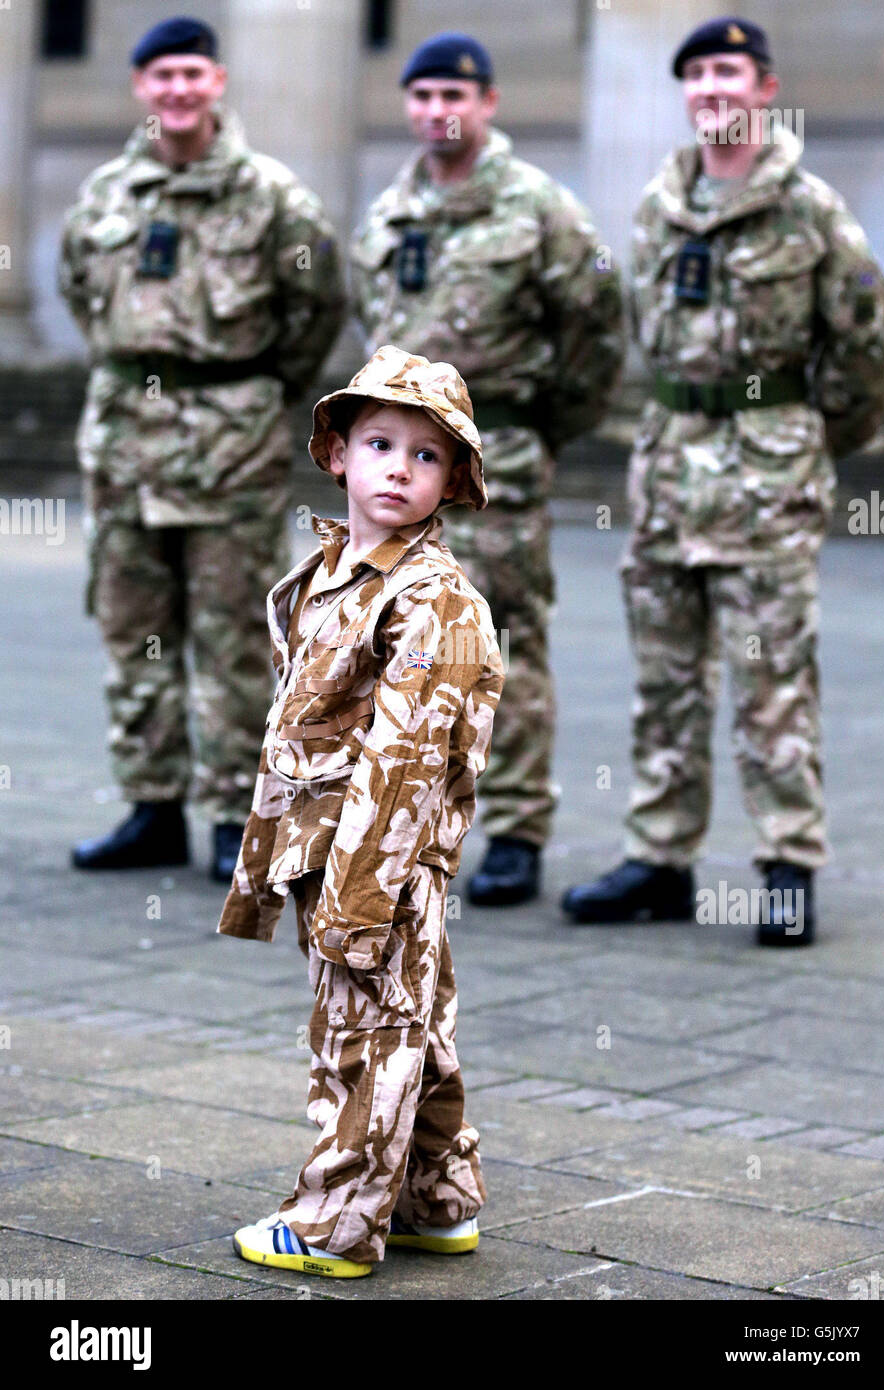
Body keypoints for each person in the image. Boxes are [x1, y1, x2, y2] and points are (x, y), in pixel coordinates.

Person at [563, 18, 884, 945]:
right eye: (699, 74)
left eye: (730, 72)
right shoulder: (656, 206)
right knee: (664, 676)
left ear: (764, 87)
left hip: (766, 477)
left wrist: (806, 436)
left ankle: (788, 867)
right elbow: (641, 322)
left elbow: (868, 340)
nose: (713, 87)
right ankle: (659, 859)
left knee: (772, 679)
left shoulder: (810, 209)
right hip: (669, 468)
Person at [218, 345, 504, 1278]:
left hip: (373, 859)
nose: (399, 467)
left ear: (453, 481)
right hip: (327, 848)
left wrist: (361, 896)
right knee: (410, 1027)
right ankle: (436, 1200)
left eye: (427, 456)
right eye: (380, 442)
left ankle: (337, 1224)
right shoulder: (339, 570)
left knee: (364, 1037)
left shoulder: (433, 599)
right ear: (337, 451)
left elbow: (408, 762)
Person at [58, 16, 345, 881]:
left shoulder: (273, 197)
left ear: (217, 82)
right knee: (132, 631)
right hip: (123, 452)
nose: (177, 91)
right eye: (161, 77)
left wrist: (251, 393)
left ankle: (234, 813)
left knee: (231, 641)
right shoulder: (107, 194)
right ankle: (150, 806)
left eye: (193, 75)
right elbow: (83, 292)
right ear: (142, 89)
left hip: (230, 453)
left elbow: (317, 309)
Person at [351, 32, 624, 907]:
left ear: (489, 103)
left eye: (456, 96)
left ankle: (517, 831)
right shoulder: (388, 214)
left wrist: (536, 427)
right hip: (398, 465)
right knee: (397, 643)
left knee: (504, 645)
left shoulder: (540, 209)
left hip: (495, 459)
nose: (440, 111)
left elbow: (595, 329)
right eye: (424, 96)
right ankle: (406, 826)